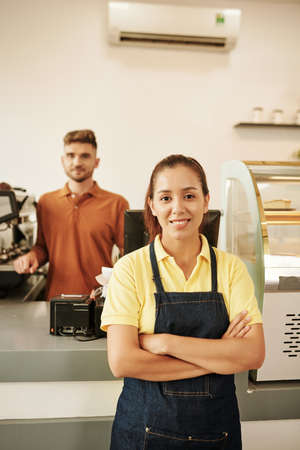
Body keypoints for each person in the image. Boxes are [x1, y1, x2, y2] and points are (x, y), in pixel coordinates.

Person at [101, 154, 265, 450]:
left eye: (189, 195)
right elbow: (122, 361)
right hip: (142, 433)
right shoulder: (130, 269)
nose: (178, 208)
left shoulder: (231, 269)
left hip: (217, 434)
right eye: (165, 198)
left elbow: (253, 354)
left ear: (205, 201)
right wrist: (218, 360)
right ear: (151, 205)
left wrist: (164, 343)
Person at [13, 129, 129, 300]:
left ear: (96, 162)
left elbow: (130, 255)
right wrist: (31, 256)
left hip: (99, 302)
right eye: (71, 155)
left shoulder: (116, 203)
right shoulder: (46, 202)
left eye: (85, 156)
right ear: (63, 160)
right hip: (55, 300)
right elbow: (43, 248)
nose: (77, 162)